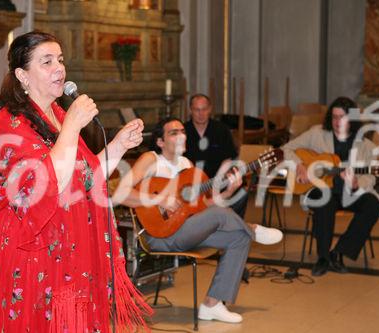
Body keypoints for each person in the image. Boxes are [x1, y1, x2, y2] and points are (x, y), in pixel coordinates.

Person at [0, 31, 151, 332]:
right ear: (22, 75)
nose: (59, 68)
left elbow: (86, 178)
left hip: (65, 248)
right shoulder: (10, 123)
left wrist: (118, 145)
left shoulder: (58, 114)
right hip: (29, 250)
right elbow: (45, 184)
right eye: (47, 61)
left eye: (61, 60)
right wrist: (73, 125)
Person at [113, 117, 283, 324]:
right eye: (173, 132)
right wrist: (160, 199)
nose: (181, 135)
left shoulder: (187, 166)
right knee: (226, 218)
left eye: (182, 131)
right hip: (157, 235)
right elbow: (119, 194)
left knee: (239, 237)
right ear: (160, 142)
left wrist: (229, 189)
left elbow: (203, 208)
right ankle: (253, 230)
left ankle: (212, 305)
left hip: (186, 230)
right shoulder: (151, 160)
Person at [282, 97, 379, 277]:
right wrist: (300, 165)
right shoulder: (317, 133)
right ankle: (322, 258)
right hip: (320, 189)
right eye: (334, 117)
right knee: (325, 198)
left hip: (349, 191)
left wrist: (356, 183)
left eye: (342, 118)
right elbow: (286, 149)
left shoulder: (366, 145)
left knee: (373, 206)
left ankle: (339, 252)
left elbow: (370, 176)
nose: (337, 122)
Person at [184, 93, 248, 218]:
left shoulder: (221, 129)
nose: (201, 113)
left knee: (241, 194)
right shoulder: (183, 131)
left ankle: (231, 228)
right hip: (189, 184)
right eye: (197, 110)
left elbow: (227, 160)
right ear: (190, 110)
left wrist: (217, 184)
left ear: (210, 109)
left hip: (217, 181)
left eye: (204, 109)